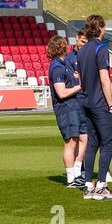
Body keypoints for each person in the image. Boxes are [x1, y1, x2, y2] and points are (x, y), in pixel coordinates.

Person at [77, 15, 112, 200]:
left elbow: (81, 80)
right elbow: (104, 78)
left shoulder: (82, 50)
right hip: (100, 103)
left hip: (86, 102)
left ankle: (88, 186)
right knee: (109, 143)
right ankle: (101, 186)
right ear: (101, 28)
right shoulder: (101, 48)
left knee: (92, 143)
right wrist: (111, 104)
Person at [64, 29, 112, 183]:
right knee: (83, 139)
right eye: (82, 41)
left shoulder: (88, 53)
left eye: (86, 41)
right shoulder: (70, 58)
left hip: (88, 100)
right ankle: (80, 172)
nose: (84, 44)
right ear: (76, 39)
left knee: (94, 138)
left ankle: (101, 172)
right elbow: (72, 80)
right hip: (78, 101)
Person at [47, 36, 87, 188]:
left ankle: (77, 172)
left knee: (84, 138)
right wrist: (80, 86)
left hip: (75, 106)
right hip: (66, 109)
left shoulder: (65, 63)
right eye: (64, 43)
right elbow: (61, 93)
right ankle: (71, 178)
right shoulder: (56, 66)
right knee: (71, 143)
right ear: (61, 47)